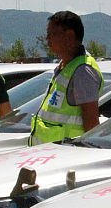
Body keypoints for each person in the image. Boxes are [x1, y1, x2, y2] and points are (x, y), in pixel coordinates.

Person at [29, 11, 103, 145]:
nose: (47, 39)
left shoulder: (83, 71)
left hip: (65, 156)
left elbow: (91, 125)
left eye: (52, 34)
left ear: (69, 35)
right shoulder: (65, 67)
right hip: (47, 156)